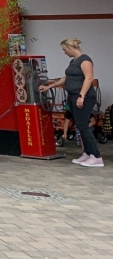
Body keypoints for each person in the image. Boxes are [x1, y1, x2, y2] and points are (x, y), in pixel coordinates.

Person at [40, 39, 102, 167]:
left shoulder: (85, 60)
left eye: (64, 50)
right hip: (72, 96)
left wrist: (82, 95)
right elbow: (66, 77)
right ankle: (87, 153)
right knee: (80, 125)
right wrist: (50, 86)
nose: (64, 53)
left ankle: (96, 156)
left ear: (69, 47)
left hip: (84, 97)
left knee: (83, 125)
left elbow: (89, 78)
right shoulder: (73, 61)